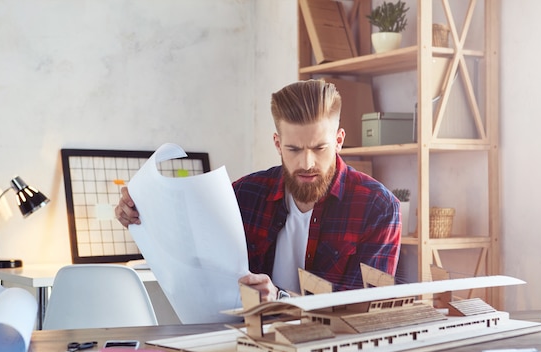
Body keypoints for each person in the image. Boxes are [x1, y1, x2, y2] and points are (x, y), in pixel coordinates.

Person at [115, 79, 401, 303]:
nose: (307, 163)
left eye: (319, 148)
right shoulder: (244, 195)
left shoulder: (377, 207)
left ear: (339, 140)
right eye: (293, 149)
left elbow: (365, 307)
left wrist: (281, 300)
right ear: (277, 144)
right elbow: (184, 234)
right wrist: (138, 209)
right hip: (246, 345)